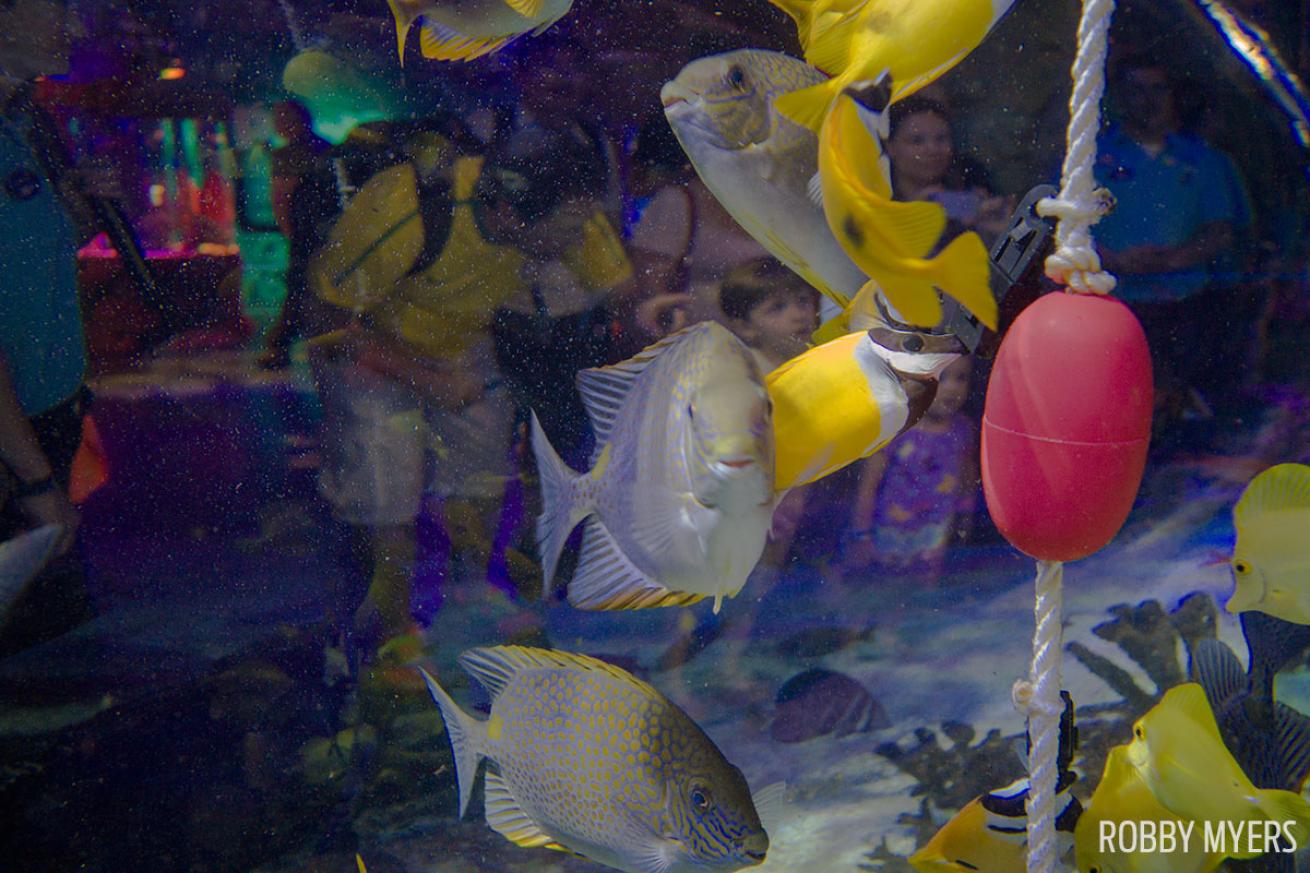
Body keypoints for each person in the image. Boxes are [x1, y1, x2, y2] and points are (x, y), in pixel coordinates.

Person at [0, 0, 106, 653]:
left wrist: (82, 207)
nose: (75, 30)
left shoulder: (20, 128)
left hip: (45, 416)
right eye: (56, 12)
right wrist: (37, 481)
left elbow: (34, 262)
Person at [1093, 55, 1252, 430]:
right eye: (1136, 90)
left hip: (1185, 309)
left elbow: (1223, 231)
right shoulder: (1092, 156)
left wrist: (1173, 259)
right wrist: (1113, 259)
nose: (1147, 99)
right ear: (1119, 96)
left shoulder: (1204, 159)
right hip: (1111, 305)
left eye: (1157, 89)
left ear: (1172, 95)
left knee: (1182, 414)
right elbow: (1061, 224)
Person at [840, 356, 979, 585]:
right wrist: (861, 534)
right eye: (942, 378)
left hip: (935, 532)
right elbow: (868, 486)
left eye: (961, 378)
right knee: (881, 589)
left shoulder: (962, 429)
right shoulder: (897, 427)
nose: (952, 388)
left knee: (924, 589)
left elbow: (967, 474)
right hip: (886, 532)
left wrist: (965, 517)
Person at [261, 100, 340, 368]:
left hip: (305, 233)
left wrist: (289, 233)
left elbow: (281, 198)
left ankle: (280, 348)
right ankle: (332, 346)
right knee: (327, 287)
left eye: (280, 118)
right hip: (331, 230)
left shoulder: (287, 156)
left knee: (298, 289)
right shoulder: (328, 147)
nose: (276, 124)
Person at [885, 95, 1014, 242]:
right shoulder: (877, 202)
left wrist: (999, 233)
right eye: (917, 141)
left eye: (941, 139)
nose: (932, 149)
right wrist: (909, 221)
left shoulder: (974, 182)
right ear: (890, 148)